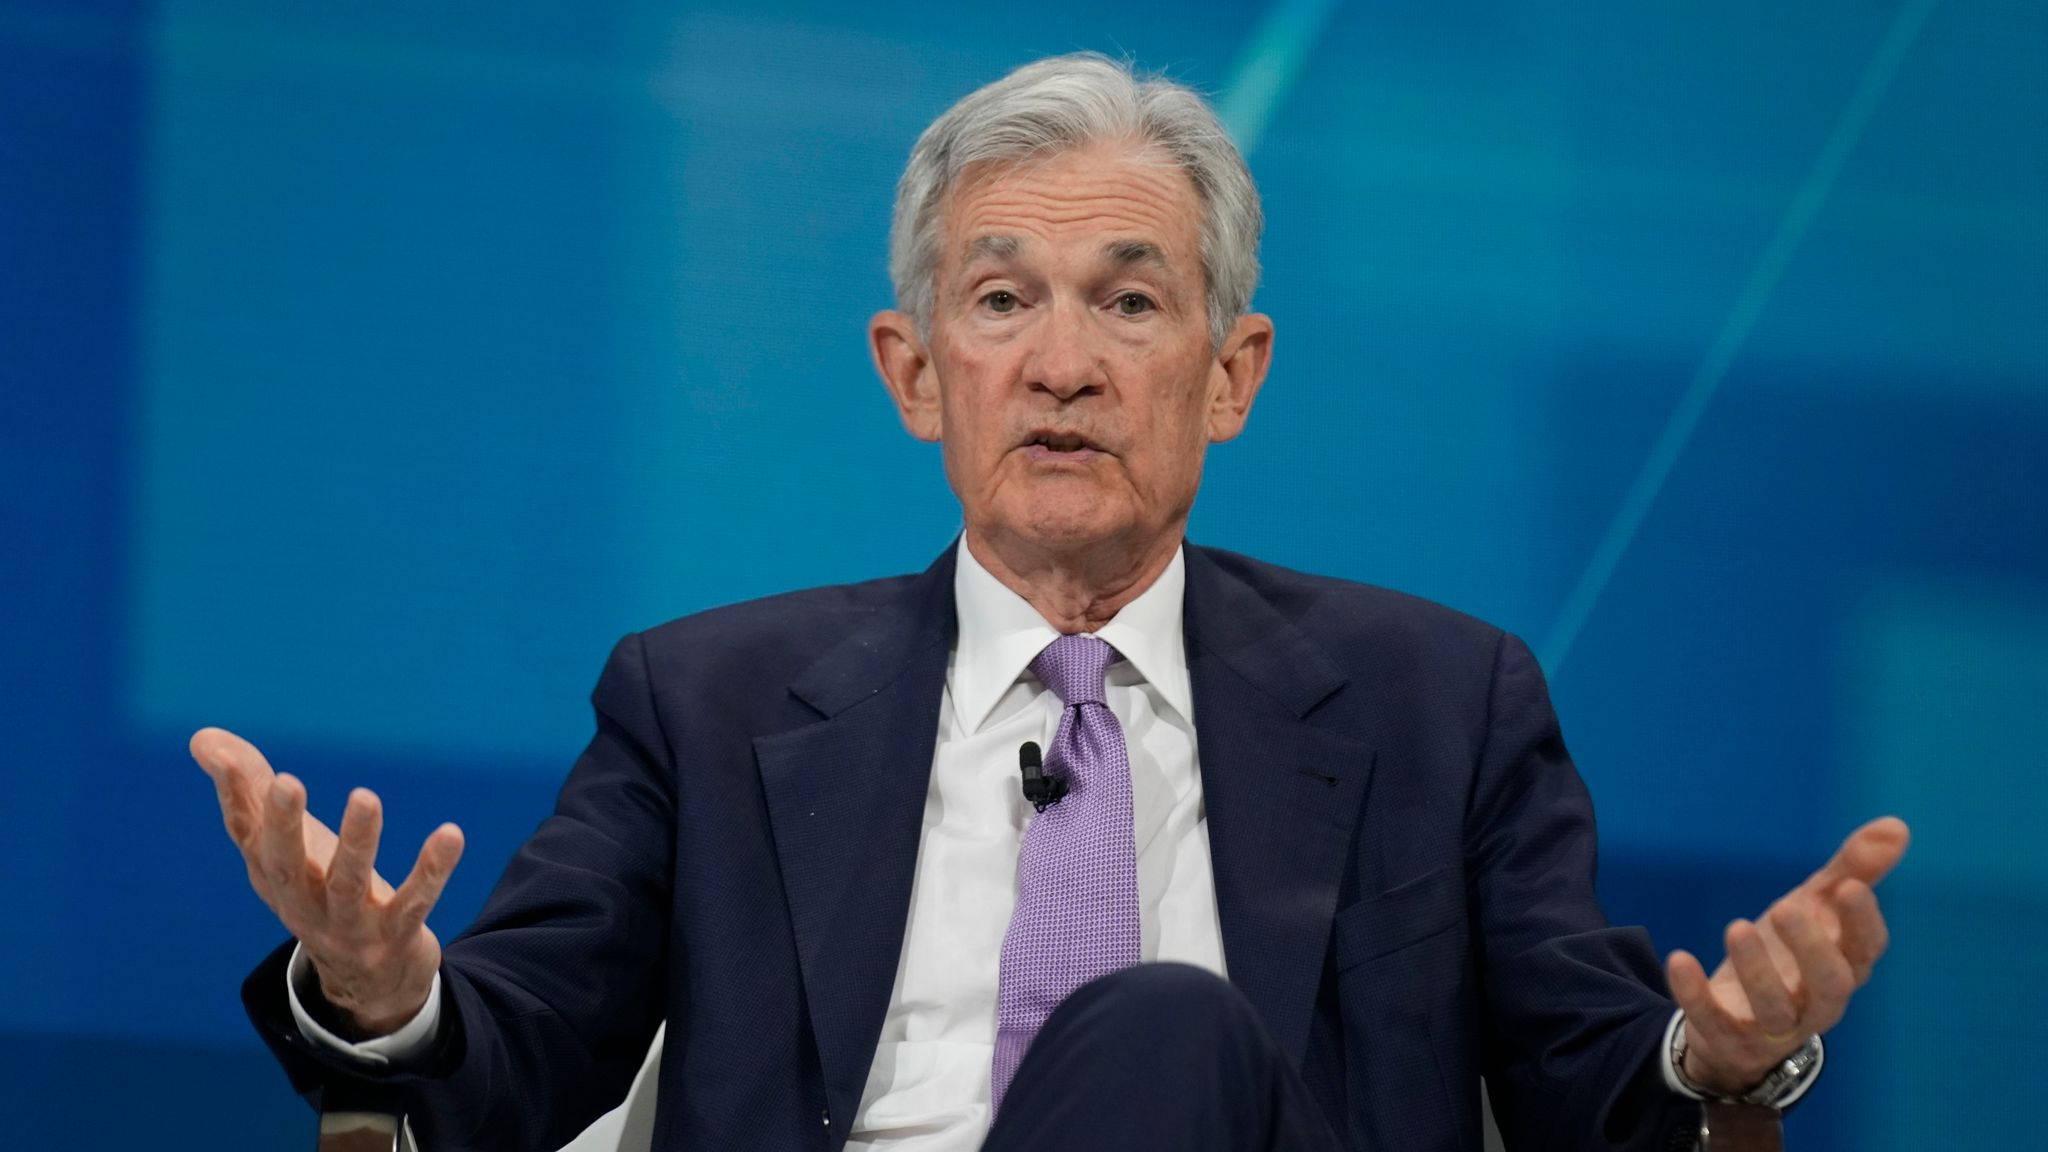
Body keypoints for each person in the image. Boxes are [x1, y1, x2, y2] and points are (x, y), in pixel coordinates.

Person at [193, 53, 1908, 1151]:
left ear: (1232, 374)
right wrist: (382, 987)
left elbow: (1584, 1072)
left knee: (1166, 1034)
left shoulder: (1433, 701)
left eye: (1132, 305)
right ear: (915, 372)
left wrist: (1723, 1053)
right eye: (1001, 300)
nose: (1064, 367)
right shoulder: (704, 701)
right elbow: (517, 1059)